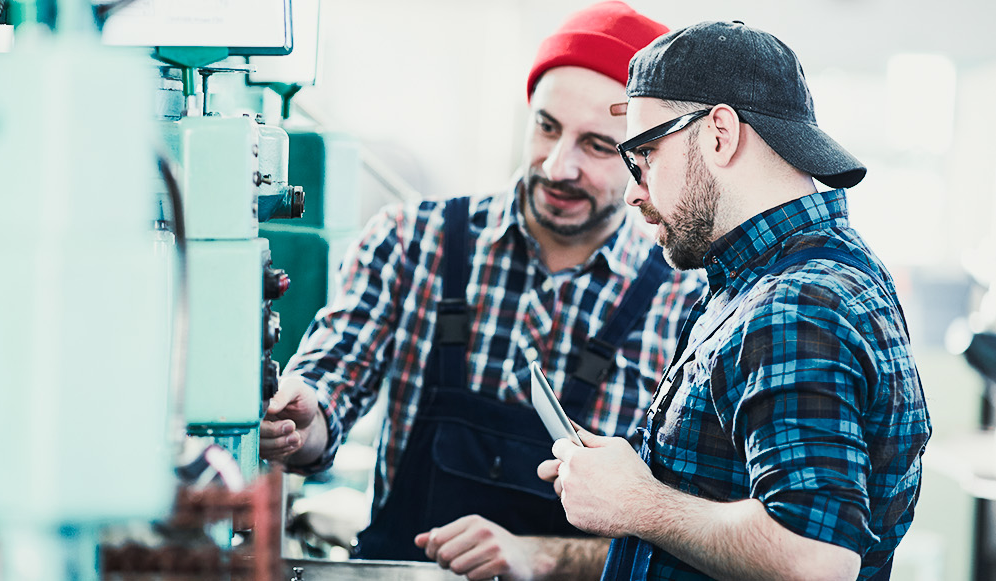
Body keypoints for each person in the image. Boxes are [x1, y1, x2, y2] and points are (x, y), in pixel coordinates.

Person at [259, 3, 708, 579]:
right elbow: (327, 393)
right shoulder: (412, 241)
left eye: (599, 146)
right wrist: (299, 421)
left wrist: (541, 557)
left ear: (647, 157)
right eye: (547, 127)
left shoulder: (684, 305)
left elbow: (683, 535)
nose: (558, 165)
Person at [538, 20, 931, 580]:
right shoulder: (779, 280)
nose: (632, 191)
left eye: (643, 155)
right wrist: (628, 481)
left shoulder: (795, 304)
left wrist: (640, 504)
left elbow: (815, 561)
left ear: (719, 134)